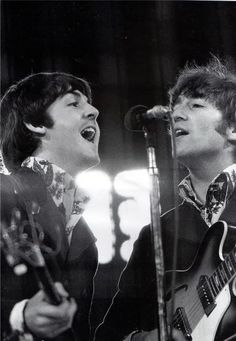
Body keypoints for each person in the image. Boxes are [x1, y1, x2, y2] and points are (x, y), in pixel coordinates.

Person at [94, 57, 236, 341]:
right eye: (174, 109)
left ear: (233, 129)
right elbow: (108, 333)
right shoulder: (155, 234)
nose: (176, 116)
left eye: (195, 106)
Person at [0, 72, 100, 341]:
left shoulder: (84, 234)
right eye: (74, 103)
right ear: (35, 123)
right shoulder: (4, 193)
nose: (94, 110)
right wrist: (18, 317)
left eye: (89, 103)